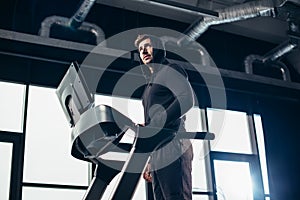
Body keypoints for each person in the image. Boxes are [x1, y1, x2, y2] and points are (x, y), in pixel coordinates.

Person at [134, 34, 194, 200]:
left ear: (159, 49)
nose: (144, 51)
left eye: (148, 46)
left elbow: (186, 99)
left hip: (174, 143)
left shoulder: (170, 70)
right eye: (140, 49)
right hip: (158, 147)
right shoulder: (150, 84)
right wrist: (150, 159)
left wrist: (156, 123)